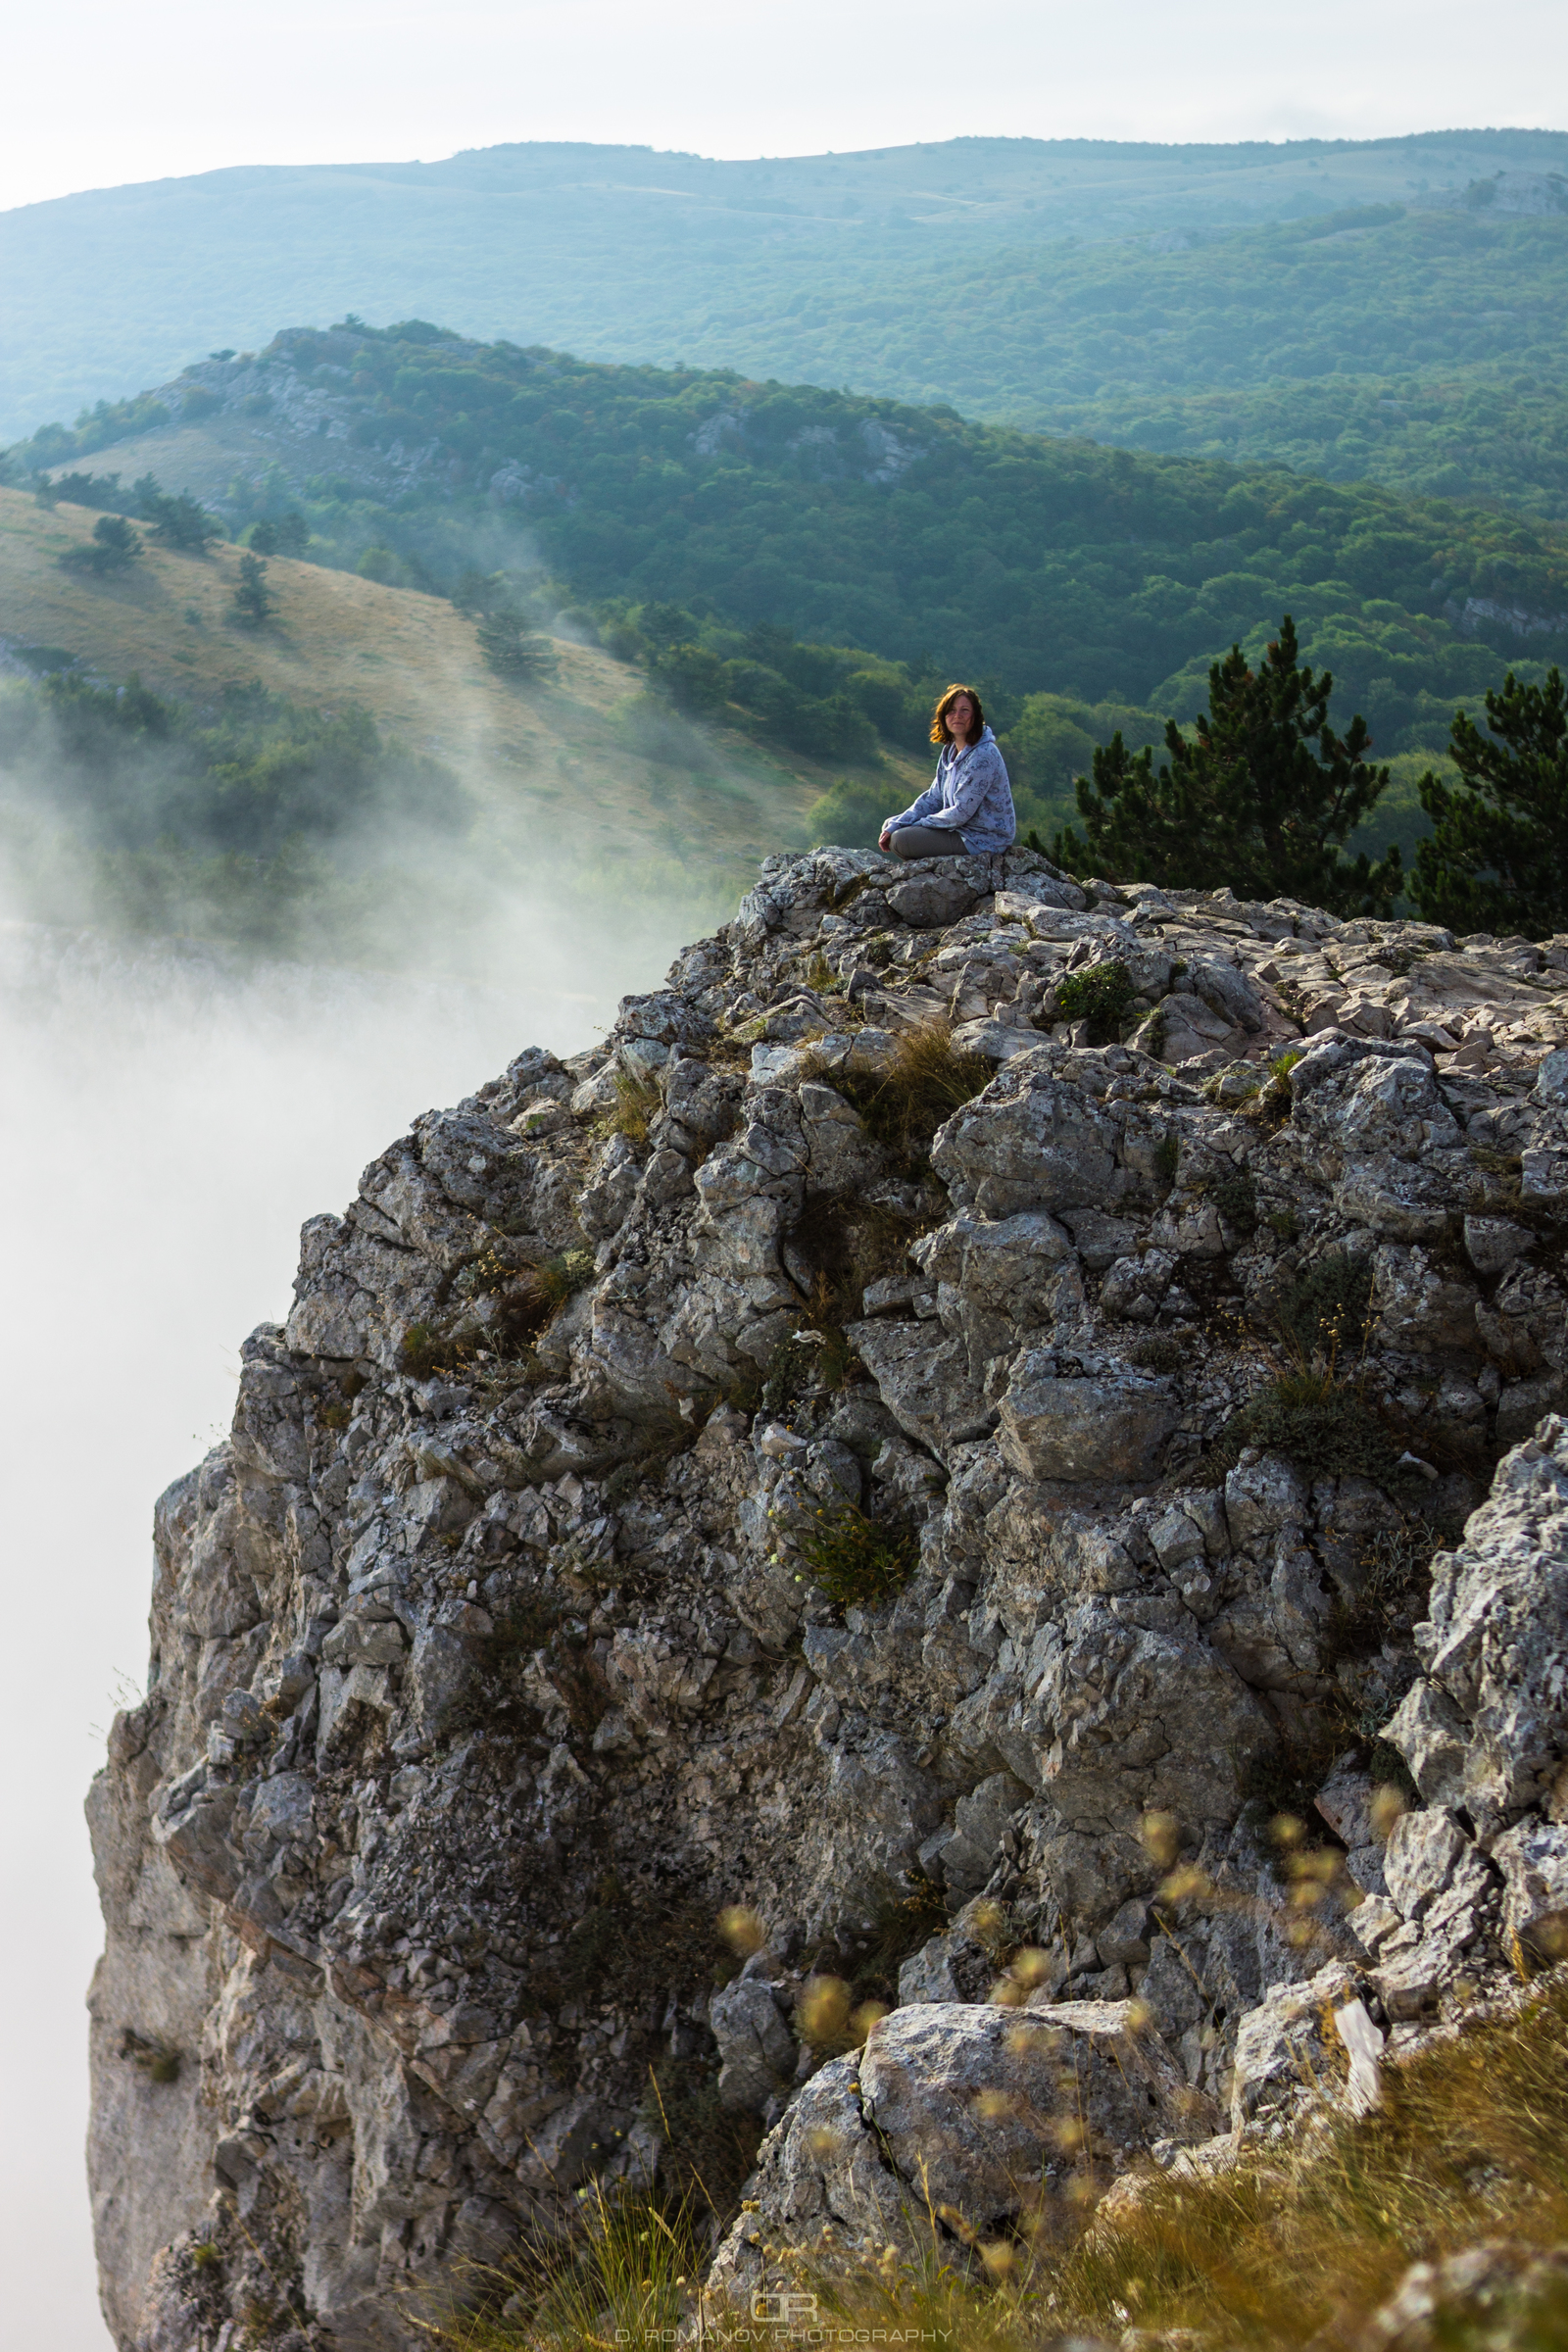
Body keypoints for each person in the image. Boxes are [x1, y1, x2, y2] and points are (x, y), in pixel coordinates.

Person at [879, 684, 1016, 859]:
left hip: (984, 838)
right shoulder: (950, 751)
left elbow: (961, 812)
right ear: (943, 717)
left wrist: (916, 825)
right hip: (960, 830)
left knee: (901, 840)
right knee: (891, 827)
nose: (957, 715)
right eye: (951, 710)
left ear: (975, 717)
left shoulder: (983, 755)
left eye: (965, 710)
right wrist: (899, 822)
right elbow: (933, 798)